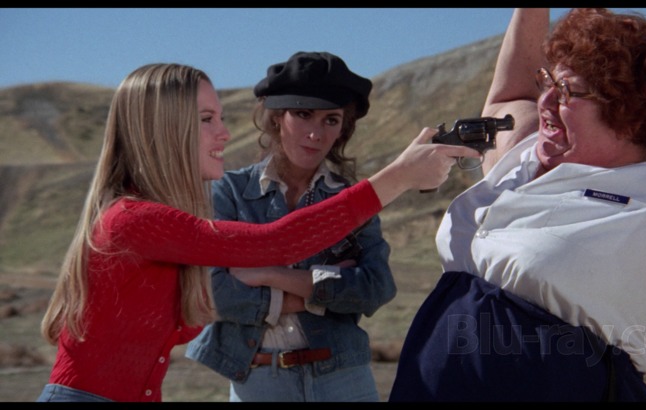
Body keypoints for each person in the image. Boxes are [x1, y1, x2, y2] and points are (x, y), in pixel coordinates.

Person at [36, 63, 479, 402]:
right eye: (207, 119)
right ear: (164, 129)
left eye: (220, 117)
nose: (225, 133)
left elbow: (371, 287)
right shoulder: (134, 219)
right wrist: (398, 178)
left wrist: (266, 278)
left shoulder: (153, 220)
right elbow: (272, 246)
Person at [389, 8, 646, 402]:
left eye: (567, 91)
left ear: (630, 115)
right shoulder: (521, 153)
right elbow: (509, 96)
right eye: (548, 81)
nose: (546, 100)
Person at [184, 51, 392, 402]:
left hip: (344, 378)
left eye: (331, 120)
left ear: (343, 129)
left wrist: (269, 274)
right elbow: (212, 292)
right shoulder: (229, 192)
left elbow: (376, 287)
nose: (315, 133)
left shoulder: (352, 200)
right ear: (277, 117)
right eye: (303, 114)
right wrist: (322, 292)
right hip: (258, 381)